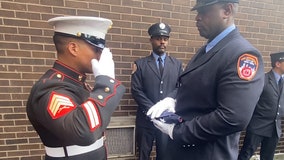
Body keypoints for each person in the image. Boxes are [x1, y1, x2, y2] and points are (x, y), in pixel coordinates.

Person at [147, 0, 265, 160]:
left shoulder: (242, 55)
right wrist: (171, 98)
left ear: (227, 11)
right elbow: (191, 85)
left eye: (204, 11)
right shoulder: (208, 48)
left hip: (208, 153)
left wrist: (178, 131)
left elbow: (232, 117)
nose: (197, 18)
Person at [26, 16, 125, 160]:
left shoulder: (75, 83)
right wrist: (106, 86)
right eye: (96, 49)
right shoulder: (52, 89)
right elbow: (83, 131)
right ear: (73, 48)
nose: (100, 55)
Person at [131, 22, 183, 160]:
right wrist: (153, 110)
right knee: (143, 155)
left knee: (165, 155)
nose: (162, 42)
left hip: (166, 119)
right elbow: (136, 90)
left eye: (165, 39)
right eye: (158, 38)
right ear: (151, 40)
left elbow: (180, 87)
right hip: (145, 118)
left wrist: (165, 106)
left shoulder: (176, 64)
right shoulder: (140, 64)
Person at [238, 52, 284, 160]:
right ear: (278, 64)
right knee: (245, 155)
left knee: (268, 157)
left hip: (274, 129)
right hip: (258, 126)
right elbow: (249, 101)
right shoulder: (262, 79)